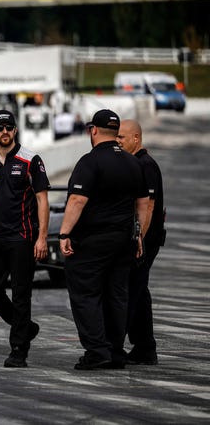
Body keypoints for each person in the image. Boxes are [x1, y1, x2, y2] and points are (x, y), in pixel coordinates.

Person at [59, 109, 148, 370]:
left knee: (86, 293)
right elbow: (143, 204)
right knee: (117, 293)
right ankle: (115, 351)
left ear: (93, 130)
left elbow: (77, 200)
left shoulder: (90, 161)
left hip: (93, 240)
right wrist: (139, 234)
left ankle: (98, 351)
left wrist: (64, 233)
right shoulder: (134, 163)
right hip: (124, 239)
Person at [0, 109, 50, 368]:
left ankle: (18, 349)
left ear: (15, 131)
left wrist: (42, 238)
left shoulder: (31, 160)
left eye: (9, 127)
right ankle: (25, 327)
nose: (5, 132)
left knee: (21, 294)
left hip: (23, 237)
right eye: (0, 128)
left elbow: (42, 199)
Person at [117, 119, 164, 365]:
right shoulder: (135, 164)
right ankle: (145, 347)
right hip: (142, 240)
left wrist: (139, 241)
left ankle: (114, 346)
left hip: (145, 241)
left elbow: (150, 205)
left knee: (131, 292)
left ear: (136, 138)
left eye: (122, 137)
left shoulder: (145, 165)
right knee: (140, 293)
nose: (118, 141)